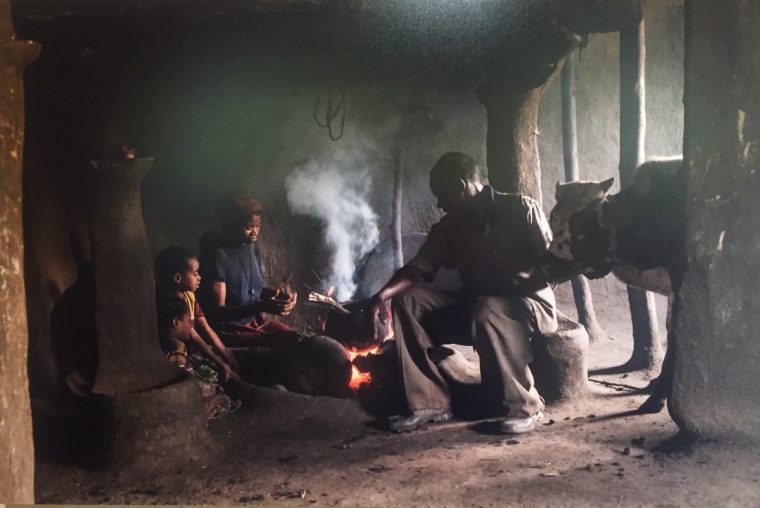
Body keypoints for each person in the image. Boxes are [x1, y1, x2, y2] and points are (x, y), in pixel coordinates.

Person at [367, 152, 558, 433]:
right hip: (477, 307)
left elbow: (552, 266)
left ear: (459, 186)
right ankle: (429, 403)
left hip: (530, 306)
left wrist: (517, 281)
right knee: (408, 301)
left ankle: (525, 406)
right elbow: (417, 269)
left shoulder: (521, 209)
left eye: (441, 195)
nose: (438, 204)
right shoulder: (448, 229)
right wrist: (380, 297)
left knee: (491, 308)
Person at [155, 246, 239, 382]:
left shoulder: (189, 297)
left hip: (189, 353)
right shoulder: (171, 305)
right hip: (177, 356)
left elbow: (205, 328)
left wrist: (226, 354)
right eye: (195, 274)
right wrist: (221, 363)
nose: (199, 278)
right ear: (178, 277)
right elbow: (193, 335)